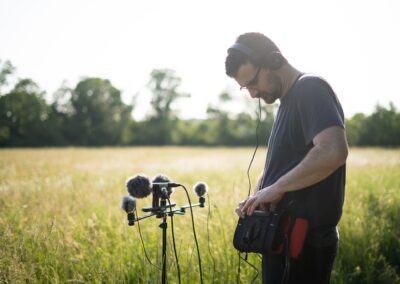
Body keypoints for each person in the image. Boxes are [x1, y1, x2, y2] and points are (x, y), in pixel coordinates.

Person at [225, 32, 348, 284]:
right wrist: (258, 196)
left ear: (274, 61)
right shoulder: (288, 101)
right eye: (245, 87)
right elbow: (281, 167)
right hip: (283, 239)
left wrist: (278, 187)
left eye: (252, 82)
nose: (252, 93)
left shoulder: (310, 89)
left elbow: (333, 150)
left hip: (305, 244)